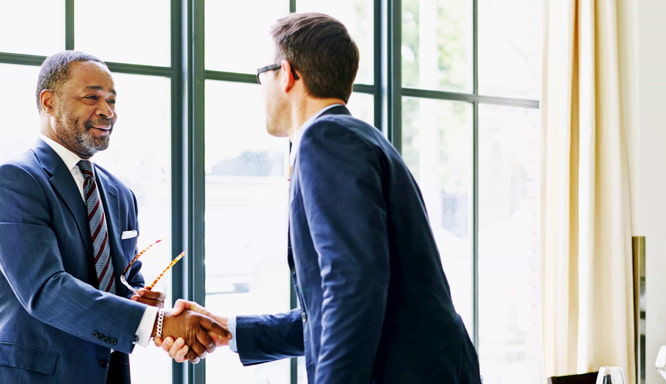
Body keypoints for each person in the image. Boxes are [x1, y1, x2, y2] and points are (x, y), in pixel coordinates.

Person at [161, 12, 482, 384]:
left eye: (261, 76)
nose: (260, 88)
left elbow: (352, 288)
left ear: (287, 74)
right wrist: (228, 329)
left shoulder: (325, 139)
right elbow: (344, 304)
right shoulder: (358, 138)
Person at [0, 50, 228, 384]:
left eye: (112, 100)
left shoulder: (120, 193)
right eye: (92, 97)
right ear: (48, 101)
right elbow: (46, 290)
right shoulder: (16, 180)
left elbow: (128, 279)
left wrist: (143, 302)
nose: (107, 111)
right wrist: (159, 323)